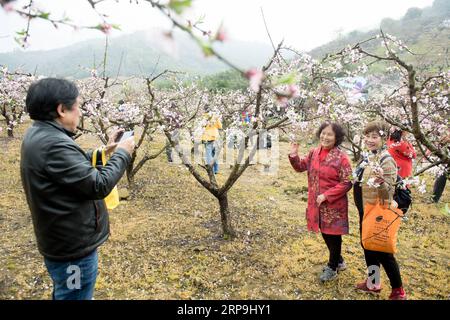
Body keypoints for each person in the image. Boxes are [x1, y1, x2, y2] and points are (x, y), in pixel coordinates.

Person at [20, 78, 135, 300]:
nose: (80, 113)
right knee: (74, 295)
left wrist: (106, 150)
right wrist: (123, 153)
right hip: (72, 250)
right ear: (62, 109)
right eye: (78, 107)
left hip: (61, 240)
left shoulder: (40, 134)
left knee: (68, 293)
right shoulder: (54, 144)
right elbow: (98, 185)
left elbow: (71, 167)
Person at [288, 121, 353, 283]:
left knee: (333, 235)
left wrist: (327, 195)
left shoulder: (342, 158)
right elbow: (300, 167)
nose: (325, 137)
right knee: (325, 232)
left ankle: (332, 267)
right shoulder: (313, 153)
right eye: (323, 133)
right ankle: (338, 260)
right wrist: (294, 154)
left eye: (330, 134)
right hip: (315, 202)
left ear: (337, 137)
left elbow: (347, 182)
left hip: (333, 204)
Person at [353, 121, 407, 300]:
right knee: (368, 247)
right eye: (367, 136)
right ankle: (374, 283)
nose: (369, 140)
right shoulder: (369, 157)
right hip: (365, 211)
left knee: (383, 252)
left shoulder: (387, 160)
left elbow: (388, 195)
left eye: (374, 137)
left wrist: (383, 182)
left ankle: (398, 290)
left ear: (383, 139)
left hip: (377, 214)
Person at [201, 106, 222, 174]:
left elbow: (201, 126)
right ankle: (216, 169)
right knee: (214, 154)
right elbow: (220, 126)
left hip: (207, 137)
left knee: (208, 154)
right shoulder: (215, 117)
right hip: (215, 137)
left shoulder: (204, 117)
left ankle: (211, 170)